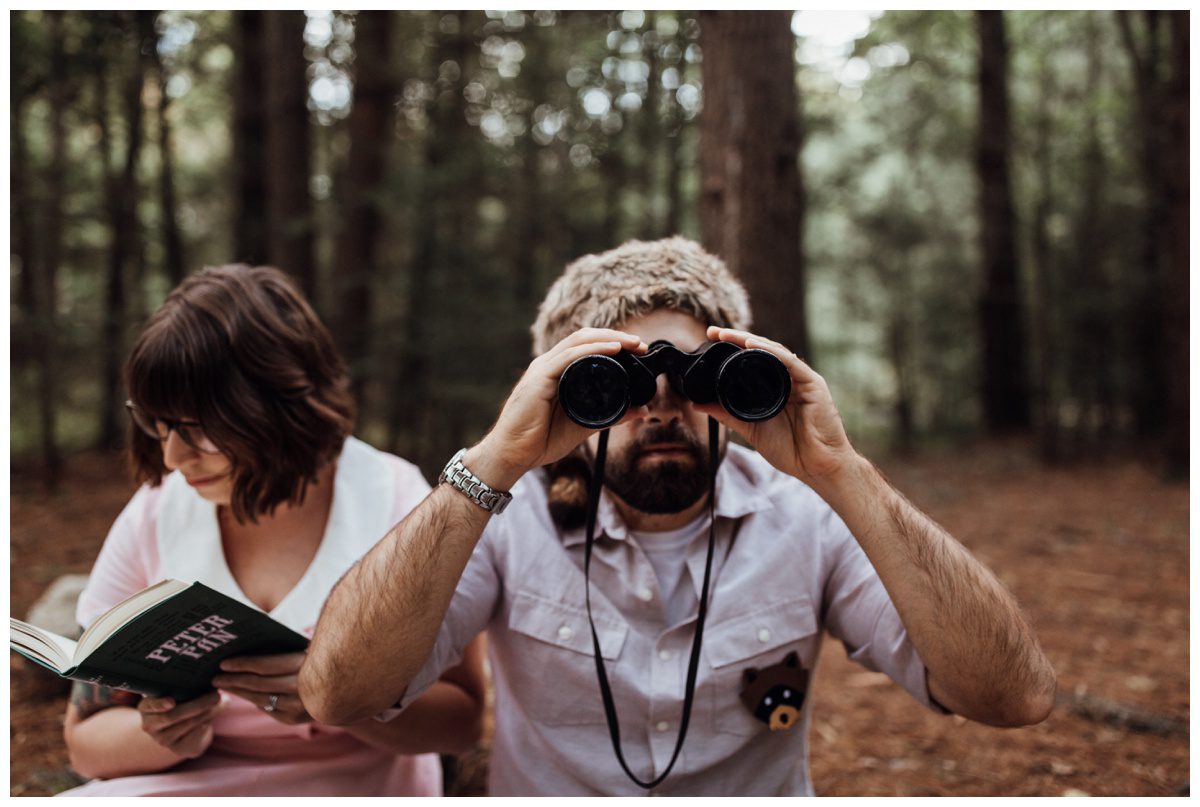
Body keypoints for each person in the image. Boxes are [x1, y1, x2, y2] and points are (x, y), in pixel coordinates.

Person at [299, 238, 1057, 796]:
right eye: (616, 383)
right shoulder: (507, 517)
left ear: (735, 378)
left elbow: (1010, 697)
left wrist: (843, 471)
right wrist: (494, 460)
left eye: (692, 378)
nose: (660, 404)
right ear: (564, 395)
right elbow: (340, 694)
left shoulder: (803, 515)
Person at [60, 264, 486, 797]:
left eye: (196, 427)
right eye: (159, 424)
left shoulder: (396, 503)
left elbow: (465, 720)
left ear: (275, 408)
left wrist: (337, 698)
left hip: (356, 784)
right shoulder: (156, 511)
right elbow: (83, 740)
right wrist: (163, 736)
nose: (173, 455)